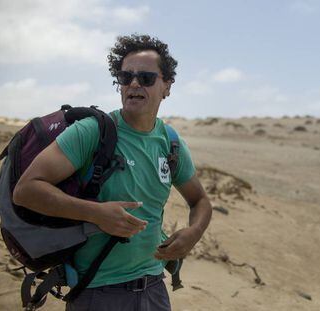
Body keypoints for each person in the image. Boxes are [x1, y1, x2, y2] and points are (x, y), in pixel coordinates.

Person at [12, 34, 212, 311]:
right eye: (125, 76)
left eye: (146, 77)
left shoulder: (170, 142)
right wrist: (95, 213)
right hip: (97, 293)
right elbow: (26, 190)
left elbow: (200, 200)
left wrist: (194, 232)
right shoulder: (92, 132)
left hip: (154, 288)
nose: (133, 84)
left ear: (167, 86)